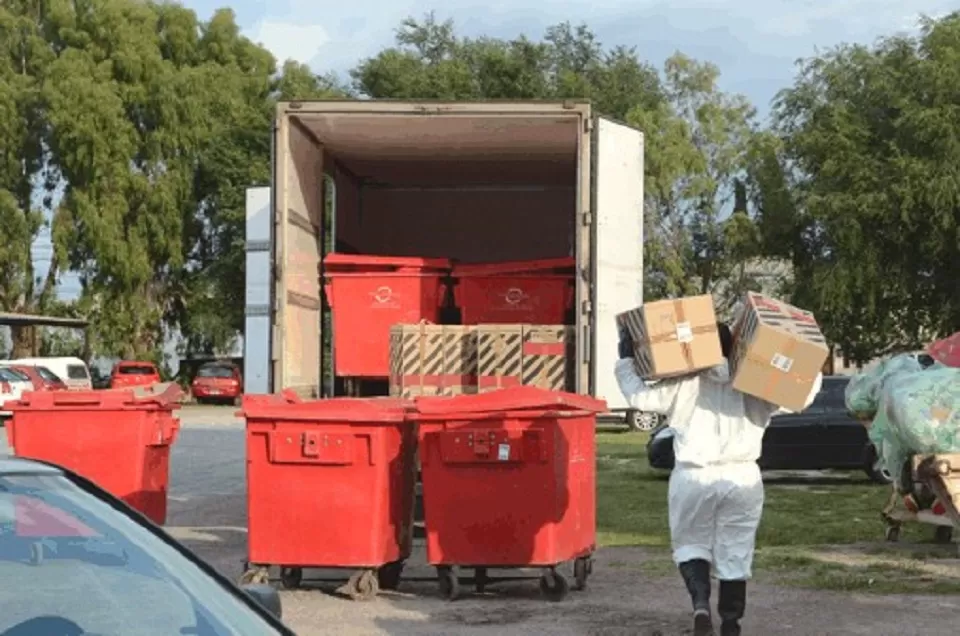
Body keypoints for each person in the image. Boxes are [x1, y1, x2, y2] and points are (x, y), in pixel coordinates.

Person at [616, 322, 822, 636]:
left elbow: (640, 398)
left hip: (693, 475)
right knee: (736, 552)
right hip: (742, 477)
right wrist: (809, 361)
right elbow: (801, 396)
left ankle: (700, 605)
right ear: (737, 346)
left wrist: (626, 361)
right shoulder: (756, 384)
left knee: (690, 545)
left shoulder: (684, 382)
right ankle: (730, 624)